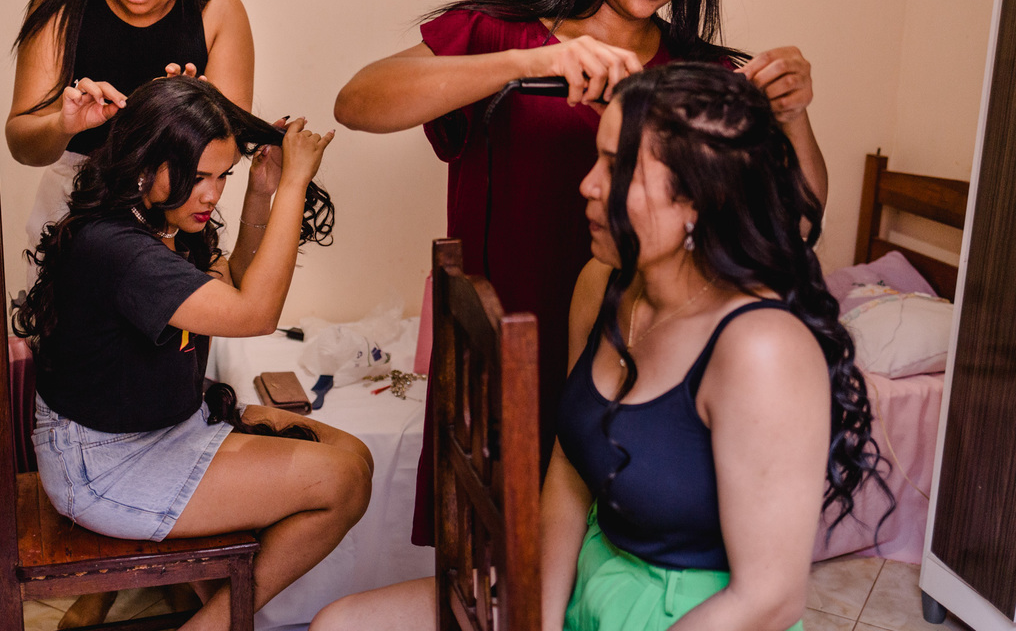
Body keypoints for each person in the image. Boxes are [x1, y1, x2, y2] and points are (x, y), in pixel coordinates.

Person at [334, 0, 828, 546]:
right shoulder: (495, 34)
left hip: (640, 367)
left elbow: (801, 214)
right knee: (496, 560)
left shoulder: (702, 73)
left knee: (606, 561)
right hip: (507, 353)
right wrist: (524, 61)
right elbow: (357, 101)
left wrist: (795, 115)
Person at [311, 62, 889, 631]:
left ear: (697, 199)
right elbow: (569, 466)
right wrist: (540, 615)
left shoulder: (762, 349)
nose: (587, 184)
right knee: (340, 624)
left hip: (696, 616)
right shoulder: (602, 286)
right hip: (589, 577)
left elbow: (769, 599)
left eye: (617, 168)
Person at [15, 76, 369, 631]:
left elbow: (234, 288)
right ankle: (212, 624)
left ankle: (212, 605)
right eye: (198, 176)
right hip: (103, 462)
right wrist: (296, 183)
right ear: (143, 162)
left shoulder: (160, 220)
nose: (211, 193)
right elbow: (256, 315)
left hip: (170, 422)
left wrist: (260, 193)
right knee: (340, 482)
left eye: (222, 175)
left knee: (353, 456)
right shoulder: (116, 246)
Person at [6, 0, 254, 280]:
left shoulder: (219, 12)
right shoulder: (60, 8)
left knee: (171, 347)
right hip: (72, 213)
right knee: (74, 344)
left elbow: (232, 148)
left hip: (175, 215)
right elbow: (22, 145)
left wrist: (192, 113)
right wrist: (63, 124)